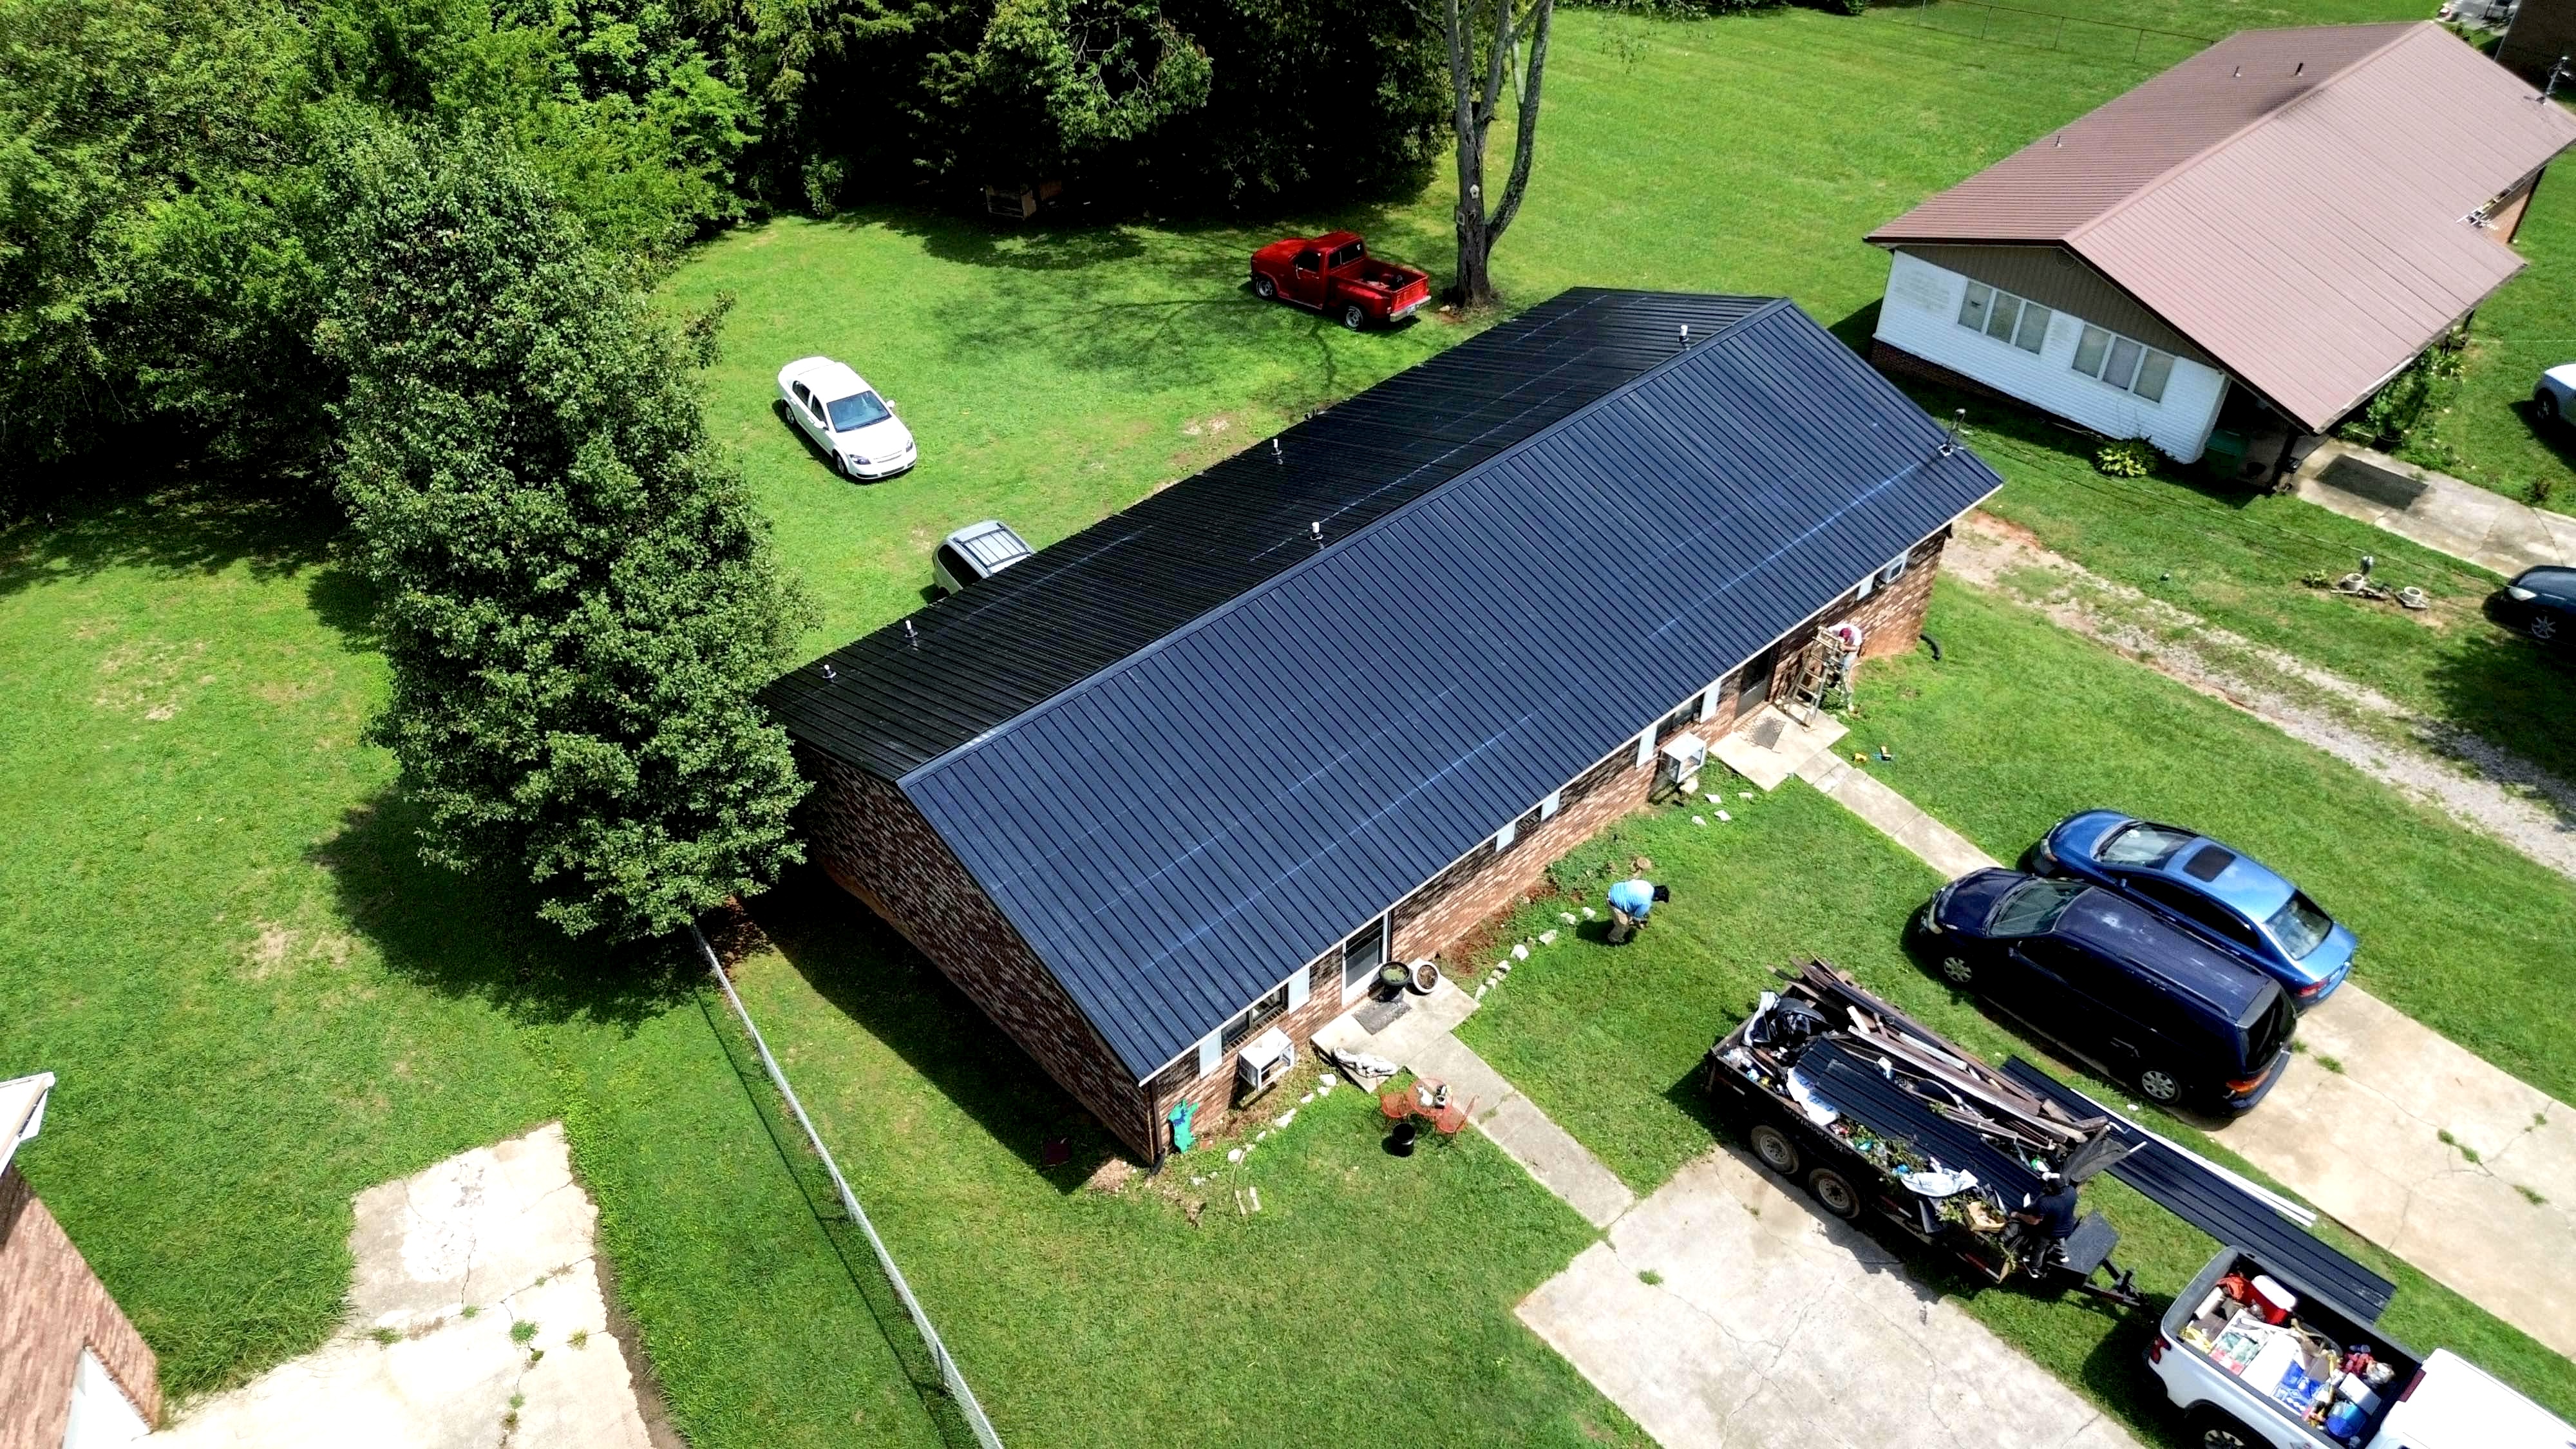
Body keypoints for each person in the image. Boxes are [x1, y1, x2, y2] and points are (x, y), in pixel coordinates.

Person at [2009, 1176, 2082, 1260]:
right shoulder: (2071, 1191)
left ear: (2051, 1189)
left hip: (2050, 1232)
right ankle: (2062, 1255)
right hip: (2067, 1226)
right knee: (2059, 1234)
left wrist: (2018, 1215)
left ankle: (2034, 1269)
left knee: (2039, 1248)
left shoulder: (2045, 1202)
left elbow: (2033, 1221)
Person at [1604, 879, 1670, 943]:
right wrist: (1639, 926)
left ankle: (1619, 921)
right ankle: (1613, 939)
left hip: (1613, 890)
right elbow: (1636, 918)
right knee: (1624, 926)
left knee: (1629, 916)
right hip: (1613, 902)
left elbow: (1632, 881)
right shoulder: (1646, 903)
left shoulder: (1646, 883)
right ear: (1656, 898)